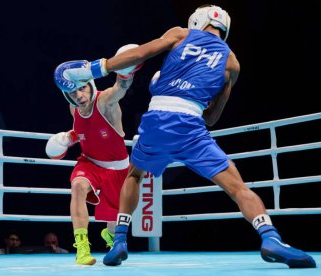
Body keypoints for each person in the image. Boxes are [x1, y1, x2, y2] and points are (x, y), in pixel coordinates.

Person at [58, 4, 317, 269]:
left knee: (135, 174)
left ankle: (120, 240)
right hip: (191, 124)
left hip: (157, 118)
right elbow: (213, 117)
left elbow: (140, 53)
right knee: (237, 187)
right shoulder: (232, 62)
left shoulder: (181, 34)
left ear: (197, 20)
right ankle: (270, 237)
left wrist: (95, 69)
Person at [48, 45, 142, 265]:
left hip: (118, 169)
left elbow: (121, 87)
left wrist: (126, 69)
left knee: (112, 221)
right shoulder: (74, 110)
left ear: (90, 85)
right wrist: (70, 138)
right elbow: (83, 133)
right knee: (78, 186)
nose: (79, 96)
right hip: (89, 163)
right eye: (72, 93)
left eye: (82, 89)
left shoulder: (105, 101)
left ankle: (109, 235)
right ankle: (82, 249)